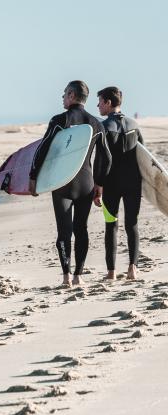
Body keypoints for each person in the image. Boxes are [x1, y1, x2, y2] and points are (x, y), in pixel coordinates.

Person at [29, 80, 111, 287]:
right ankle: (78, 276)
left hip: (62, 184)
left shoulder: (59, 120)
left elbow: (42, 150)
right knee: (81, 229)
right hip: (86, 183)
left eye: (65, 94)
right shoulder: (96, 124)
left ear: (72, 95)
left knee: (64, 231)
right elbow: (106, 157)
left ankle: (66, 277)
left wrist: (33, 177)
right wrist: (99, 184)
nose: (63, 97)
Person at [96, 86, 144, 280]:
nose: (98, 106)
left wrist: (98, 184)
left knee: (111, 224)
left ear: (108, 103)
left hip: (111, 185)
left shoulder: (105, 127)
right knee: (132, 224)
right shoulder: (134, 124)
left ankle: (112, 272)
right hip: (133, 183)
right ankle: (133, 268)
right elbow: (144, 157)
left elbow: (102, 159)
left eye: (100, 102)